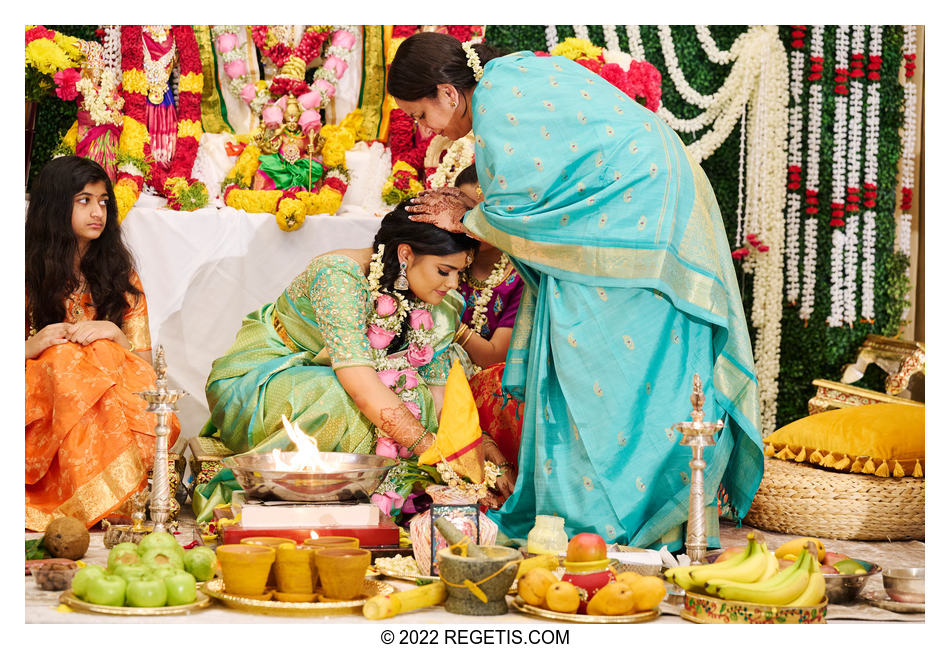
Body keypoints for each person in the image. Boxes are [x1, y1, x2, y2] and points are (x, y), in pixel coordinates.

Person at [388, 32, 764, 551]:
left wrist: (469, 216)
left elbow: (528, 211)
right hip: (644, 213)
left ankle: (601, 524)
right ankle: (621, 516)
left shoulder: (497, 110)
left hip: (635, 224)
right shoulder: (511, 74)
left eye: (419, 114)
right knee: (627, 364)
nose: (422, 128)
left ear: (448, 94)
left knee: (596, 366)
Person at [198, 201, 514, 518]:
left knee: (414, 397)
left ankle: (381, 503)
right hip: (265, 379)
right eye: (444, 271)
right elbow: (361, 386)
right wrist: (429, 446)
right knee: (344, 400)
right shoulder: (338, 277)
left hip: (351, 386)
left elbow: (440, 398)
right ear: (405, 254)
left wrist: (484, 457)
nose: (453, 284)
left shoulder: (436, 301)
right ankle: (324, 505)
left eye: (460, 273)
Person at [25, 155, 178, 532]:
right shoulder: (21, 269)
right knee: (63, 358)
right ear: (55, 205)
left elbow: (144, 367)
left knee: (104, 352)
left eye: (103, 201)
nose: (98, 212)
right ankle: (86, 502)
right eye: (84, 200)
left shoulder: (119, 272)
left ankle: (112, 497)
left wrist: (115, 334)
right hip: (42, 391)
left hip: (111, 388)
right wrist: (34, 345)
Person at [453, 165, 525, 478]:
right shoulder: (446, 259)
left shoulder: (520, 275)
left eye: (489, 210)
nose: (478, 222)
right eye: (468, 211)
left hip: (491, 383)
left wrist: (450, 327)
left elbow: (495, 355)